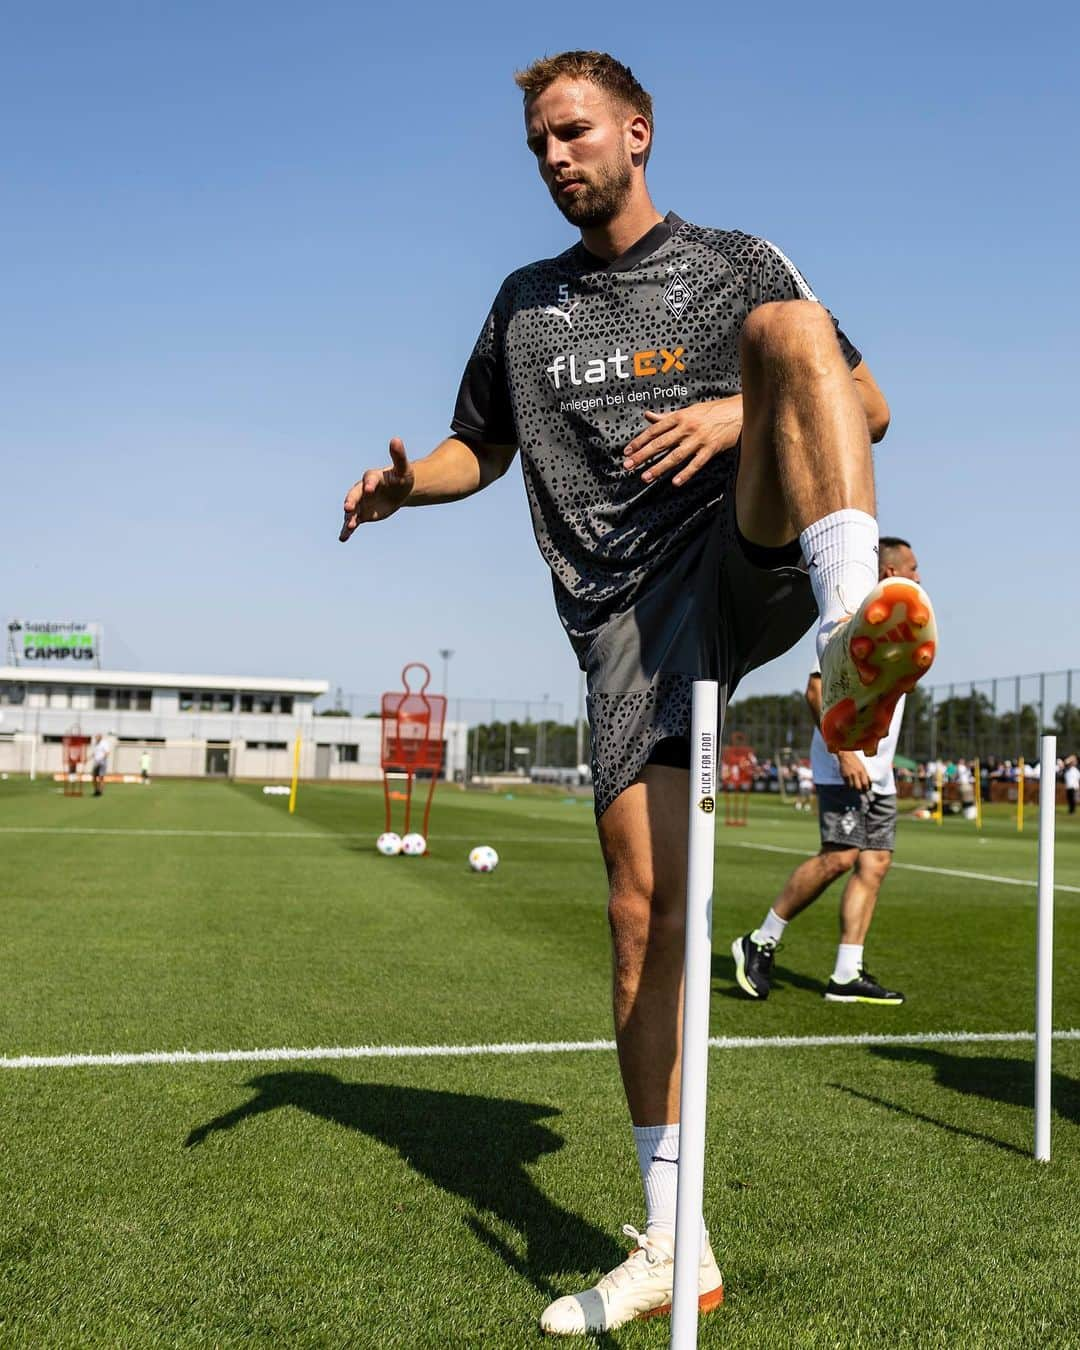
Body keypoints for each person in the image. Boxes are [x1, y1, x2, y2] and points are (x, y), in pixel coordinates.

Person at [338, 51, 937, 1335]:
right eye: (537, 145)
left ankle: (846, 635)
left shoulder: (734, 261)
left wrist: (736, 414)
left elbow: (865, 399)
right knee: (640, 914)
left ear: (637, 132)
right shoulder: (523, 305)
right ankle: (676, 1244)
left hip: (743, 545)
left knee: (792, 338)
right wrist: (406, 489)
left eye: (573, 133)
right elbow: (479, 448)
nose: (555, 158)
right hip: (623, 621)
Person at [733, 538, 924, 1007]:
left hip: (877, 773)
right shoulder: (853, 620)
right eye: (913, 569)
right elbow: (816, 692)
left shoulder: (903, 630)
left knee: (875, 863)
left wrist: (875, 764)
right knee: (840, 856)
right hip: (845, 765)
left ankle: (846, 974)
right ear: (888, 573)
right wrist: (845, 754)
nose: (919, 578)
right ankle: (760, 940)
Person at [90, 733, 111, 797]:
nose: (96, 738)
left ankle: (100, 791)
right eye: (95, 737)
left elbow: (107, 752)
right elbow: (94, 753)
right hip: (96, 762)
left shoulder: (104, 743)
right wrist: (88, 758)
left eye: (97, 737)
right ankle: (96, 790)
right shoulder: (95, 744)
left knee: (101, 777)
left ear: (100, 737)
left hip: (102, 763)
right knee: (94, 777)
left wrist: (102, 759)